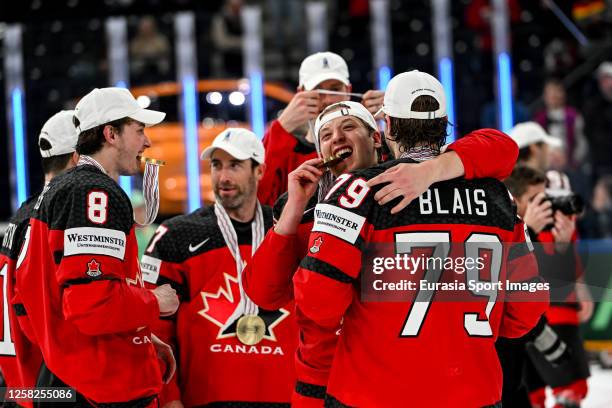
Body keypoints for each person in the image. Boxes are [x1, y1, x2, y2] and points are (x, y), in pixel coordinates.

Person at [291, 71, 548, 406]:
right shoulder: (499, 196)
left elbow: (318, 304)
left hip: (375, 394)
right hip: (474, 393)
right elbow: (526, 311)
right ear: (444, 125)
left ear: (389, 128)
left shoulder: (358, 190)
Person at [14, 88, 179, 406]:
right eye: (140, 130)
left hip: (71, 376)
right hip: (99, 387)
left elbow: (33, 294)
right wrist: (153, 302)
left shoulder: (61, 188)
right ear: (111, 133)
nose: (147, 142)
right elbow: (92, 305)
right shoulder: (93, 192)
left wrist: (136, 334)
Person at [142, 128, 296, 407]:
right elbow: (153, 329)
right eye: (216, 165)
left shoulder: (288, 230)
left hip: (284, 397)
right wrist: (168, 398)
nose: (223, 177)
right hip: (206, 398)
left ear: (259, 171)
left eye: (235, 165)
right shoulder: (176, 234)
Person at [0, 111, 79, 405]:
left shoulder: (23, 215)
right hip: (49, 389)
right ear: (77, 157)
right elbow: (44, 320)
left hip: (19, 385)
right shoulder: (56, 218)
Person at [504, 166, 591, 408]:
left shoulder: (554, 221)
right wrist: (528, 230)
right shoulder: (503, 224)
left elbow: (554, 276)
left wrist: (563, 250)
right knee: (560, 390)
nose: (544, 205)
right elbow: (511, 272)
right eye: (536, 200)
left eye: (547, 198)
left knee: (540, 392)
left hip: (543, 316)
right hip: (525, 322)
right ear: (516, 199)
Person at [258, 51, 384, 205]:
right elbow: (256, 202)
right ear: (301, 93)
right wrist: (280, 128)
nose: (328, 100)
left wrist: (395, 120)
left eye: (335, 89)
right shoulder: (286, 150)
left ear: (348, 91)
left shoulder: (371, 142)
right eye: (318, 90)